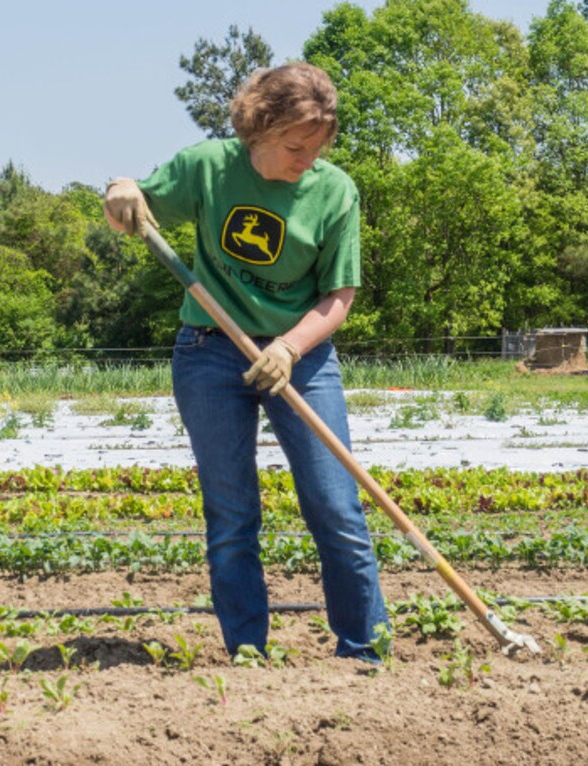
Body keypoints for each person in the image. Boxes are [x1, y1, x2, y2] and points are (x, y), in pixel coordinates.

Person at [102, 62, 388, 662]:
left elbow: (339, 297)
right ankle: (247, 653)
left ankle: (363, 650)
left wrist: (288, 347)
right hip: (210, 353)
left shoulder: (335, 192)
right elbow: (135, 204)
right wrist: (120, 188)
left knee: (335, 504)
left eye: (318, 146)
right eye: (293, 145)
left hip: (300, 356)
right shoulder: (208, 167)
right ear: (256, 131)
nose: (306, 158)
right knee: (232, 514)